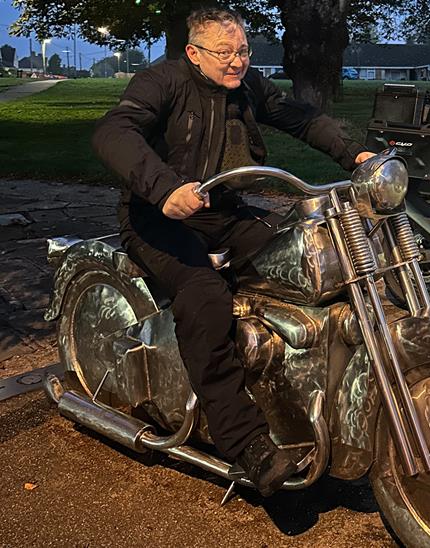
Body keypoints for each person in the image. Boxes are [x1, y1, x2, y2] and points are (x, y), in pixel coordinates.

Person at [92, 8, 373, 496]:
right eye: (225, 52)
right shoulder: (161, 82)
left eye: (243, 50)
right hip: (156, 216)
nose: (238, 61)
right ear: (194, 53)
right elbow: (114, 132)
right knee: (204, 295)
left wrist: (358, 155)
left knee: (307, 256)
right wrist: (164, 189)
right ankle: (244, 440)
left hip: (223, 210)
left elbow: (301, 119)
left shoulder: (247, 87)